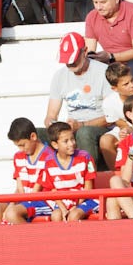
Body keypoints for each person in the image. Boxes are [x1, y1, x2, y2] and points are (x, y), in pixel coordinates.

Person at [45, 31, 112, 167]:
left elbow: (111, 116)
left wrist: (82, 125)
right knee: (36, 133)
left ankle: (88, 175)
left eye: (74, 59)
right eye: (67, 61)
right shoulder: (59, 76)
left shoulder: (103, 72)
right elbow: (50, 115)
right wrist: (55, 125)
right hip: (72, 127)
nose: (71, 64)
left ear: (85, 51)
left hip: (99, 126)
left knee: (84, 133)